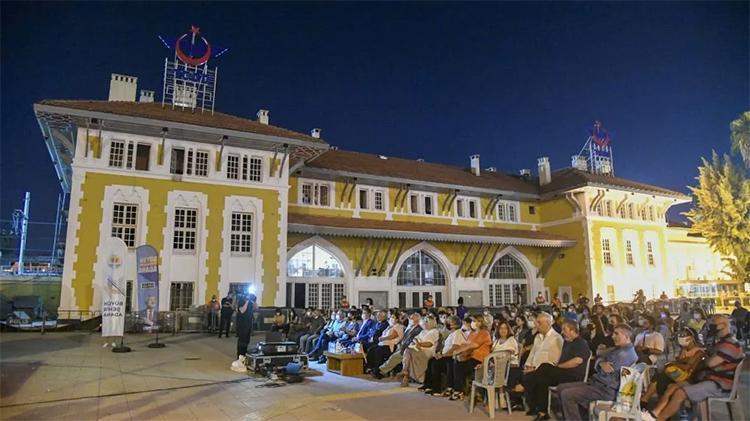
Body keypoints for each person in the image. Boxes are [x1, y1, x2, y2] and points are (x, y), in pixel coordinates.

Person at [646, 315, 743, 421]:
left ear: (722, 326)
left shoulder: (729, 345)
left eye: (713, 325)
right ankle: (656, 414)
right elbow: (708, 355)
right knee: (672, 387)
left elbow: (710, 363)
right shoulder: (722, 342)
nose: (709, 327)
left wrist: (703, 358)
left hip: (720, 384)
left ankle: (660, 418)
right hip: (711, 379)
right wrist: (703, 355)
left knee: (680, 393)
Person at [557, 324, 638, 421]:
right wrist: (600, 363)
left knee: (567, 394)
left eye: (616, 334)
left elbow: (604, 373)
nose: (612, 336)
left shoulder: (623, 355)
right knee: (561, 388)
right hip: (599, 384)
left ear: (626, 336)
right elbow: (600, 356)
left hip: (605, 389)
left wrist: (599, 364)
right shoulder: (620, 349)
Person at [523, 320, 590, 420]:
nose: (562, 332)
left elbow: (577, 361)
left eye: (564, 330)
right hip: (562, 373)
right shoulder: (567, 343)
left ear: (573, 330)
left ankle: (524, 383)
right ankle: (542, 411)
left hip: (572, 375)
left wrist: (558, 366)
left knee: (543, 368)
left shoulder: (581, 343)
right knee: (542, 378)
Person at [641, 327, 705, 406]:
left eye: (683, 335)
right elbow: (680, 361)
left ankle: (645, 400)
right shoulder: (684, 349)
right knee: (661, 378)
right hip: (678, 374)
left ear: (691, 338)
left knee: (661, 378)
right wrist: (681, 357)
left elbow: (687, 367)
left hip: (687, 377)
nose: (680, 337)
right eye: (680, 335)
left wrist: (673, 363)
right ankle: (646, 401)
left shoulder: (699, 352)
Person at [446, 314, 492, 401]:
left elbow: (474, 345)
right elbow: (466, 345)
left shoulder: (484, 333)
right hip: (470, 357)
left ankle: (459, 390)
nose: (474, 323)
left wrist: (459, 351)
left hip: (480, 359)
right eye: (473, 321)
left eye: (477, 321)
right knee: (455, 361)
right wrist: (461, 353)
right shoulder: (472, 333)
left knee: (460, 365)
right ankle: (456, 389)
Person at [421, 315, 466, 395]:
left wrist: (443, 355)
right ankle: (428, 385)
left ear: (455, 324)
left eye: (449, 322)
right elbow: (446, 347)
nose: (447, 323)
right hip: (446, 355)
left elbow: (455, 347)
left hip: (452, 357)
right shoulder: (452, 334)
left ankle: (436, 388)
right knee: (431, 360)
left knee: (436, 363)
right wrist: (440, 353)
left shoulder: (457, 333)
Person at [378, 313, 423, 378]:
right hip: (402, 346)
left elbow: (411, 341)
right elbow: (404, 338)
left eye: (412, 318)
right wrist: (400, 344)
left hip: (409, 348)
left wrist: (402, 347)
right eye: (410, 318)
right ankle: (382, 370)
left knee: (394, 357)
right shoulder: (410, 327)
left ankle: (381, 370)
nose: (410, 319)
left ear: (417, 320)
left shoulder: (418, 329)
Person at [400, 315, 440, 386]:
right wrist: (416, 343)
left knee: (408, 351)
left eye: (427, 322)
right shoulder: (423, 331)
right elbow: (415, 338)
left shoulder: (434, 331)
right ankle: (405, 373)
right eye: (424, 322)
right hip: (416, 348)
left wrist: (419, 344)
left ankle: (405, 373)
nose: (425, 323)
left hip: (427, 351)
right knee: (408, 351)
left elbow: (429, 343)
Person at [367, 313, 405, 377]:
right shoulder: (389, 326)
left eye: (393, 317)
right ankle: (371, 367)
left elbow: (393, 335)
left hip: (391, 346)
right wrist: (381, 338)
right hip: (383, 343)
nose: (391, 319)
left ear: (397, 319)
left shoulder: (399, 326)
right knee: (371, 349)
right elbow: (384, 334)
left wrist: (383, 338)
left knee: (378, 351)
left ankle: (378, 371)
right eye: (391, 317)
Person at [235, 293, 257, 358]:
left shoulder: (251, 302)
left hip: (248, 325)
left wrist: (254, 301)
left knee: (246, 340)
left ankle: (244, 354)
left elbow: (256, 308)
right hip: (242, 325)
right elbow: (242, 310)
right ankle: (239, 355)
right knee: (242, 340)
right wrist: (247, 301)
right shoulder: (241, 301)